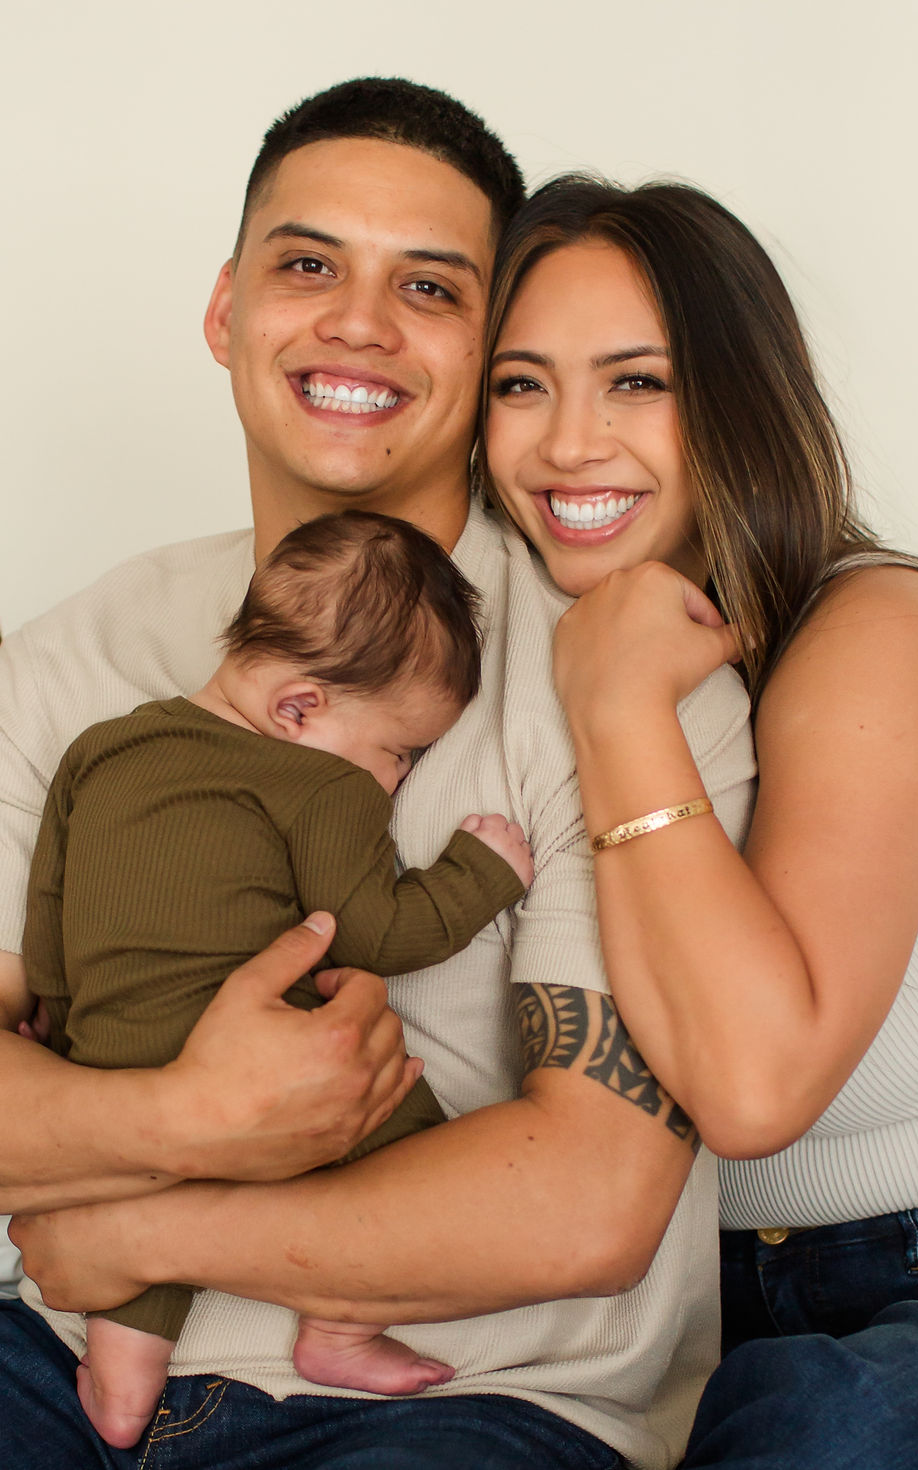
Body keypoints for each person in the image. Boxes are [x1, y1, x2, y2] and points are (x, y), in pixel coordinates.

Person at [1, 81, 756, 1469]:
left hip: (469, 1399)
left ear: (489, 353)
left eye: (428, 286)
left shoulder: (625, 677)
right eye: (308, 266)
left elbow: (586, 1201)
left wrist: (128, 1212)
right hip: (42, 1354)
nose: (358, 321)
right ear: (226, 310)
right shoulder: (73, 654)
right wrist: (186, 1114)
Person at [481, 175, 918, 1469]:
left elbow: (753, 1090)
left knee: (825, 1430)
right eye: (521, 384)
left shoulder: (878, 629)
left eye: (637, 382)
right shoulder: (489, 647)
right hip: (656, 1298)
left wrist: (619, 706)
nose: (569, 443)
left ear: (738, 399)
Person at [25, 508, 533, 1446]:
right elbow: (377, 931)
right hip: (265, 1061)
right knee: (406, 1143)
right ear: (299, 709)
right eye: (399, 751)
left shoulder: (103, 746)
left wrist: (56, 1020)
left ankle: (123, 1381)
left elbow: (47, 907)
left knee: (140, 1191)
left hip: (103, 1048)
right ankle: (340, 1326)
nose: (396, 777)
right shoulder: (322, 783)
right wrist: (482, 874)